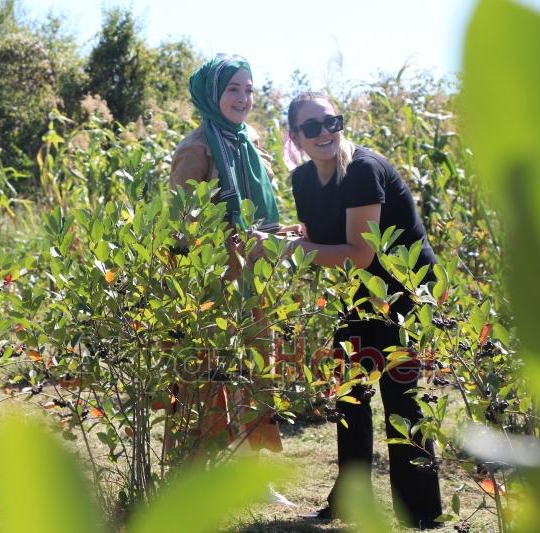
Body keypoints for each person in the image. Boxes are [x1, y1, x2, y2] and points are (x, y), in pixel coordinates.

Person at [260, 92, 443, 528]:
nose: (324, 132)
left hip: (405, 288)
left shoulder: (362, 170)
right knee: (351, 394)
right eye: (312, 127)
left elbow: (358, 253)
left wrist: (287, 249)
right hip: (358, 291)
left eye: (332, 121)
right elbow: (324, 236)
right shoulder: (303, 179)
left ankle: (420, 514)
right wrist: (291, 235)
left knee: (401, 399)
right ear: (295, 136)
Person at [167, 55, 296, 504]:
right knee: (209, 378)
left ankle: (252, 479)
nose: (243, 99)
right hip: (214, 283)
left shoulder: (250, 140)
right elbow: (180, 227)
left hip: (255, 279)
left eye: (249, 90)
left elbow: (265, 207)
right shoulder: (196, 149)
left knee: (257, 374)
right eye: (233, 90)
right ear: (212, 94)